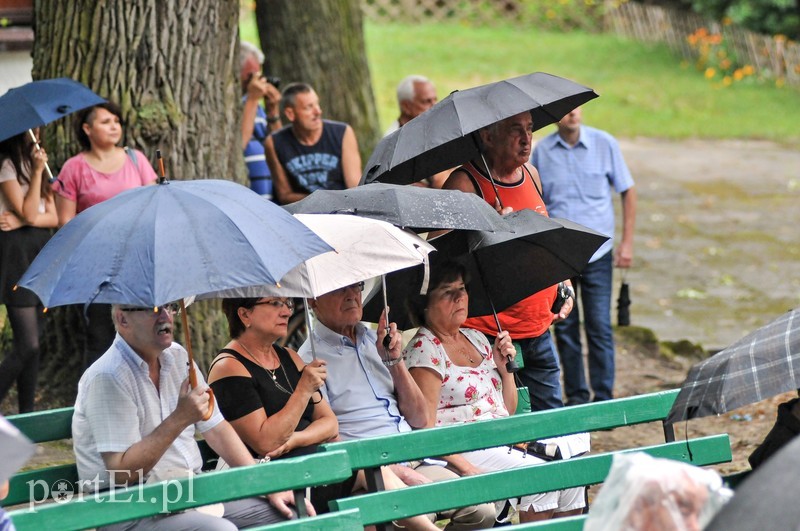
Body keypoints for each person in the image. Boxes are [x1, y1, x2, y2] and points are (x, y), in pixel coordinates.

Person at [72, 302, 309, 530]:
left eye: (170, 306)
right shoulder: (108, 377)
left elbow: (216, 428)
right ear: (123, 319)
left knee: (291, 513)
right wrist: (180, 418)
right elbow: (122, 472)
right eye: (155, 309)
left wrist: (267, 486)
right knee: (220, 530)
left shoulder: (177, 357)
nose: (165, 315)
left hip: (190, 492)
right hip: (131, 506)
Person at [208, 296, 439, 529]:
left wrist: (294, 440)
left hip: (318, 468)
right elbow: (266, 442)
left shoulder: (289, 357)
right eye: (275, 304)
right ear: (244, 314)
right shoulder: (228, 367)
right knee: (370, 483)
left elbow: (330, 424)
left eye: (287, 304)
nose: (287, 312)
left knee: (366, 501)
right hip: (280, 481)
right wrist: (303, 391)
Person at [299, 282, 496, 529]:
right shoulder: (310, 360)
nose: (352, 295)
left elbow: (421, 421)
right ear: (312, 301)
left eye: (357, 286)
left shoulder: (377, 340)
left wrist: (395, 362)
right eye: (339, 288)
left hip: (416, 457)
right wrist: (396, 472)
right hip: (372, 473)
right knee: (414, 520)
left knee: (482, 510)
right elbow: (329, 439)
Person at [403, 260, 585, 522]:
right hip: (463, 446)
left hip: (500, 439)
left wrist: (505, 371)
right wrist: (465, 468)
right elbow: (426, 430)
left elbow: (507, 410)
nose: (459, 298)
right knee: (543, 479)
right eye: (447, 292)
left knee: (573, 475)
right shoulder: (425, 350)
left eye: (462, 289)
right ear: (424, 304)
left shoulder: (475, 338)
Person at [443, 111, 574, 412]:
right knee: (505, 433)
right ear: (488, 136)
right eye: (516, 130)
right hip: (488, 335)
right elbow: (443, 263)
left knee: (552, 428)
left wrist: (563, 281)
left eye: (529, 129)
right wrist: (488, 235)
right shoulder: (463, 186)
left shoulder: (532, 174)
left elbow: (544, 240)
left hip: (538, 329)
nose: (526, 139)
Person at [532, 106, 636, 405]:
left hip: (598, 253)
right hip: (559, 256)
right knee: (564, 327)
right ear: (555, 117)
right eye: (564, 110)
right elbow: (537, 202)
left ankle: (604, 399)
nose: (572, 114)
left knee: (599, 325)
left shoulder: (605, 144)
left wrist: (626, 243)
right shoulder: (542, 153)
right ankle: (577, 399)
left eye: (576, 108)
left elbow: (628, 190)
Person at [53, 101, 158, 368]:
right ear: (87, 129)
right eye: (105, 121)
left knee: (143, 332)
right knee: (100, 335)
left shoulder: (137, 160)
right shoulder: (74, 168)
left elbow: (156, 207)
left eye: (116, 121)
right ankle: (98, 399)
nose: (114, 126)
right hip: (95, 266)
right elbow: (65, 222)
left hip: (137, 262)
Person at [0, 130, 58, 413]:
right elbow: (30, 212)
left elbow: (54, 216)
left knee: (34, 345)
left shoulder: (40, 166)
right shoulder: (7, 166)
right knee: (28, 344)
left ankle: (27, 416)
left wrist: (25, 220)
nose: (33, 133)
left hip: (40, 253)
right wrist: (36, 173)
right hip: (16, 257)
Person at [264, 83, 361, 205]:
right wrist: (321, 201)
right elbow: (284, 195)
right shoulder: (274, 142)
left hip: (342, 210)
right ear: (290, 114)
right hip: (301, 215)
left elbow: (354, 187)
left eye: (317, 104)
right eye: (309, 107)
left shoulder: (343, 133)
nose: (318, 111)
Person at [385, 75, 448, 188]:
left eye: (435, 100)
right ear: (406, 106)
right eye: (426, 102)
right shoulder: (393, 143)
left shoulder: (436, 129)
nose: (435, 106)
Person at [239, 41, 282, 200]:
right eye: (251, 75)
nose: (256, 81)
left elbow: (279, 148)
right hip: (245, 197)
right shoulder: (235, 107)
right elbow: (239, 145)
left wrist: (272, 110)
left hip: (269, 200)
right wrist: (251, 99)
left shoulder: (257, 108)